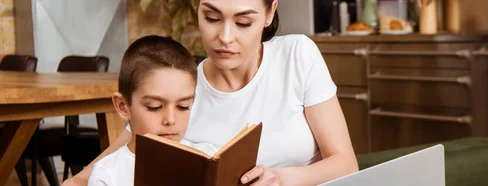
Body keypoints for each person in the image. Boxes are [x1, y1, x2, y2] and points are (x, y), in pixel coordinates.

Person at [64, 0, 358, 185]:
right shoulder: (181, 93)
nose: (225, 38)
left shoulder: (297, 55)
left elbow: (345, 162)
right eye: (212, 17)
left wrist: (283, 178)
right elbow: (115, 159)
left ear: (270, 13)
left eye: (243, 22)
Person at [87, 35, 217, 186]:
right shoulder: (107, 175)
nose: (170, 119)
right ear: (123, 106)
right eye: (154, 107)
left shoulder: (209, 156)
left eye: (183, 106)